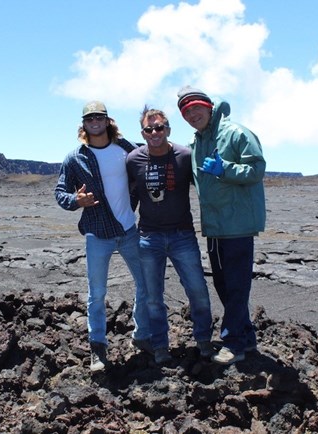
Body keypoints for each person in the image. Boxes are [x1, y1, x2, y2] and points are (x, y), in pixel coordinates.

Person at [54, 101, 153, 372]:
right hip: (98, 234)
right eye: (89, 118)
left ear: (108, 121)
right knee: (96, 294)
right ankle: (97, 348)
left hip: (129, 231)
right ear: (83, 124)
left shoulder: (126, 150)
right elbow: (60, 193)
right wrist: (77, 200)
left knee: (146, 285)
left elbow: (147, 168)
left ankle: (142, 336)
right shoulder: (75, 158)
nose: (95, 121)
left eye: (99, 117)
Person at [176, 86, 266, 365]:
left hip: (237, 224)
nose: (192, 114)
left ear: (209, 106)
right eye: (186, 111)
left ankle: (233, 343)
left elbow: (257, 169)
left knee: (236, 286)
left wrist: (225, 169)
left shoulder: (236, 133)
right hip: (214, 227)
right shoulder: (197, 142)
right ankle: (246, 338)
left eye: (196, 108)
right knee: (225, 286)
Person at [126, 107, 214, 364]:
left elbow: (205, 187)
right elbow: (129, 195)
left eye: (159, 127)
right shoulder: (134, 160)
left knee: (197, 290)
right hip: (149, 238)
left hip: (182, 236)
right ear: (142, 132)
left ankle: (204, 340)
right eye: (148, 129)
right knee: (153, 297)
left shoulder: (185, 156)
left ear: (168, 129)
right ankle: (160, 345)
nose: (154, 133)